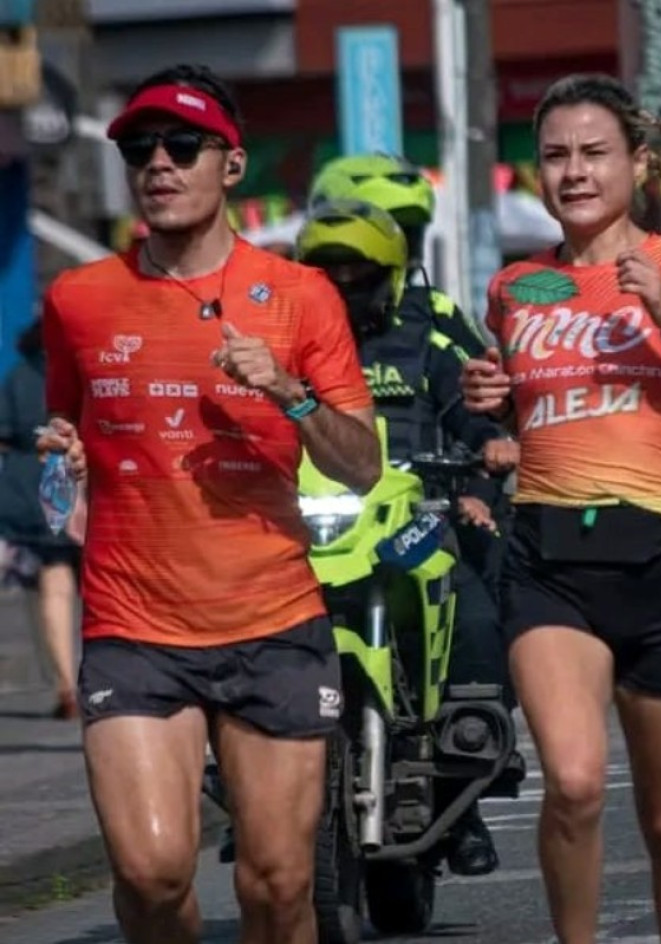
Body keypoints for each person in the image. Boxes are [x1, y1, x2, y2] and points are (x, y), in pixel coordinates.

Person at [36, 63, 380, 944]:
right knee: (151, 876)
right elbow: (70, 424)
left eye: (182, 145)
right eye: (140, 148)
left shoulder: (301, 296)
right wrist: (67, 455)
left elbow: (363, 468)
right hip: (134, 626)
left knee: (276, 886)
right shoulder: (78, 299)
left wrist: (291, 392)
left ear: (230, 166)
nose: (159, 162)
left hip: (272, 621)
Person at [460, 73, 661, 944]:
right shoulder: (515, 289)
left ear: (635, 163)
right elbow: (528, 413)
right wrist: (492, 398)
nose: (574, 173)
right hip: (548, 561)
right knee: (571, 782)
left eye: (594, 153)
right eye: (555, 155)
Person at [294, 196, 518, 876]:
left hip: (418, 520)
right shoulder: (280, 342)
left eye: (357, 272)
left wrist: (484, 468)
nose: (340, 286)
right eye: (325, 272)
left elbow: (476, 416)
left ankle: (472, 776)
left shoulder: (429, 334)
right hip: (311, 525)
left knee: (475, 611)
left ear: (390, 273)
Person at [308, 152, 489, 358]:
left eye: (408, 232)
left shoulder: (433, 309)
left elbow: (482, 379)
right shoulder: (294, 315)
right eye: (384, 232)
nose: (400, 249)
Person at [0, 319, 81, 719]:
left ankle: (67, 683)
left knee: (55, 582)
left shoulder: (19, 376)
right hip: (89, 488)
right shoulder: (88, 371)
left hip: (33, 494)